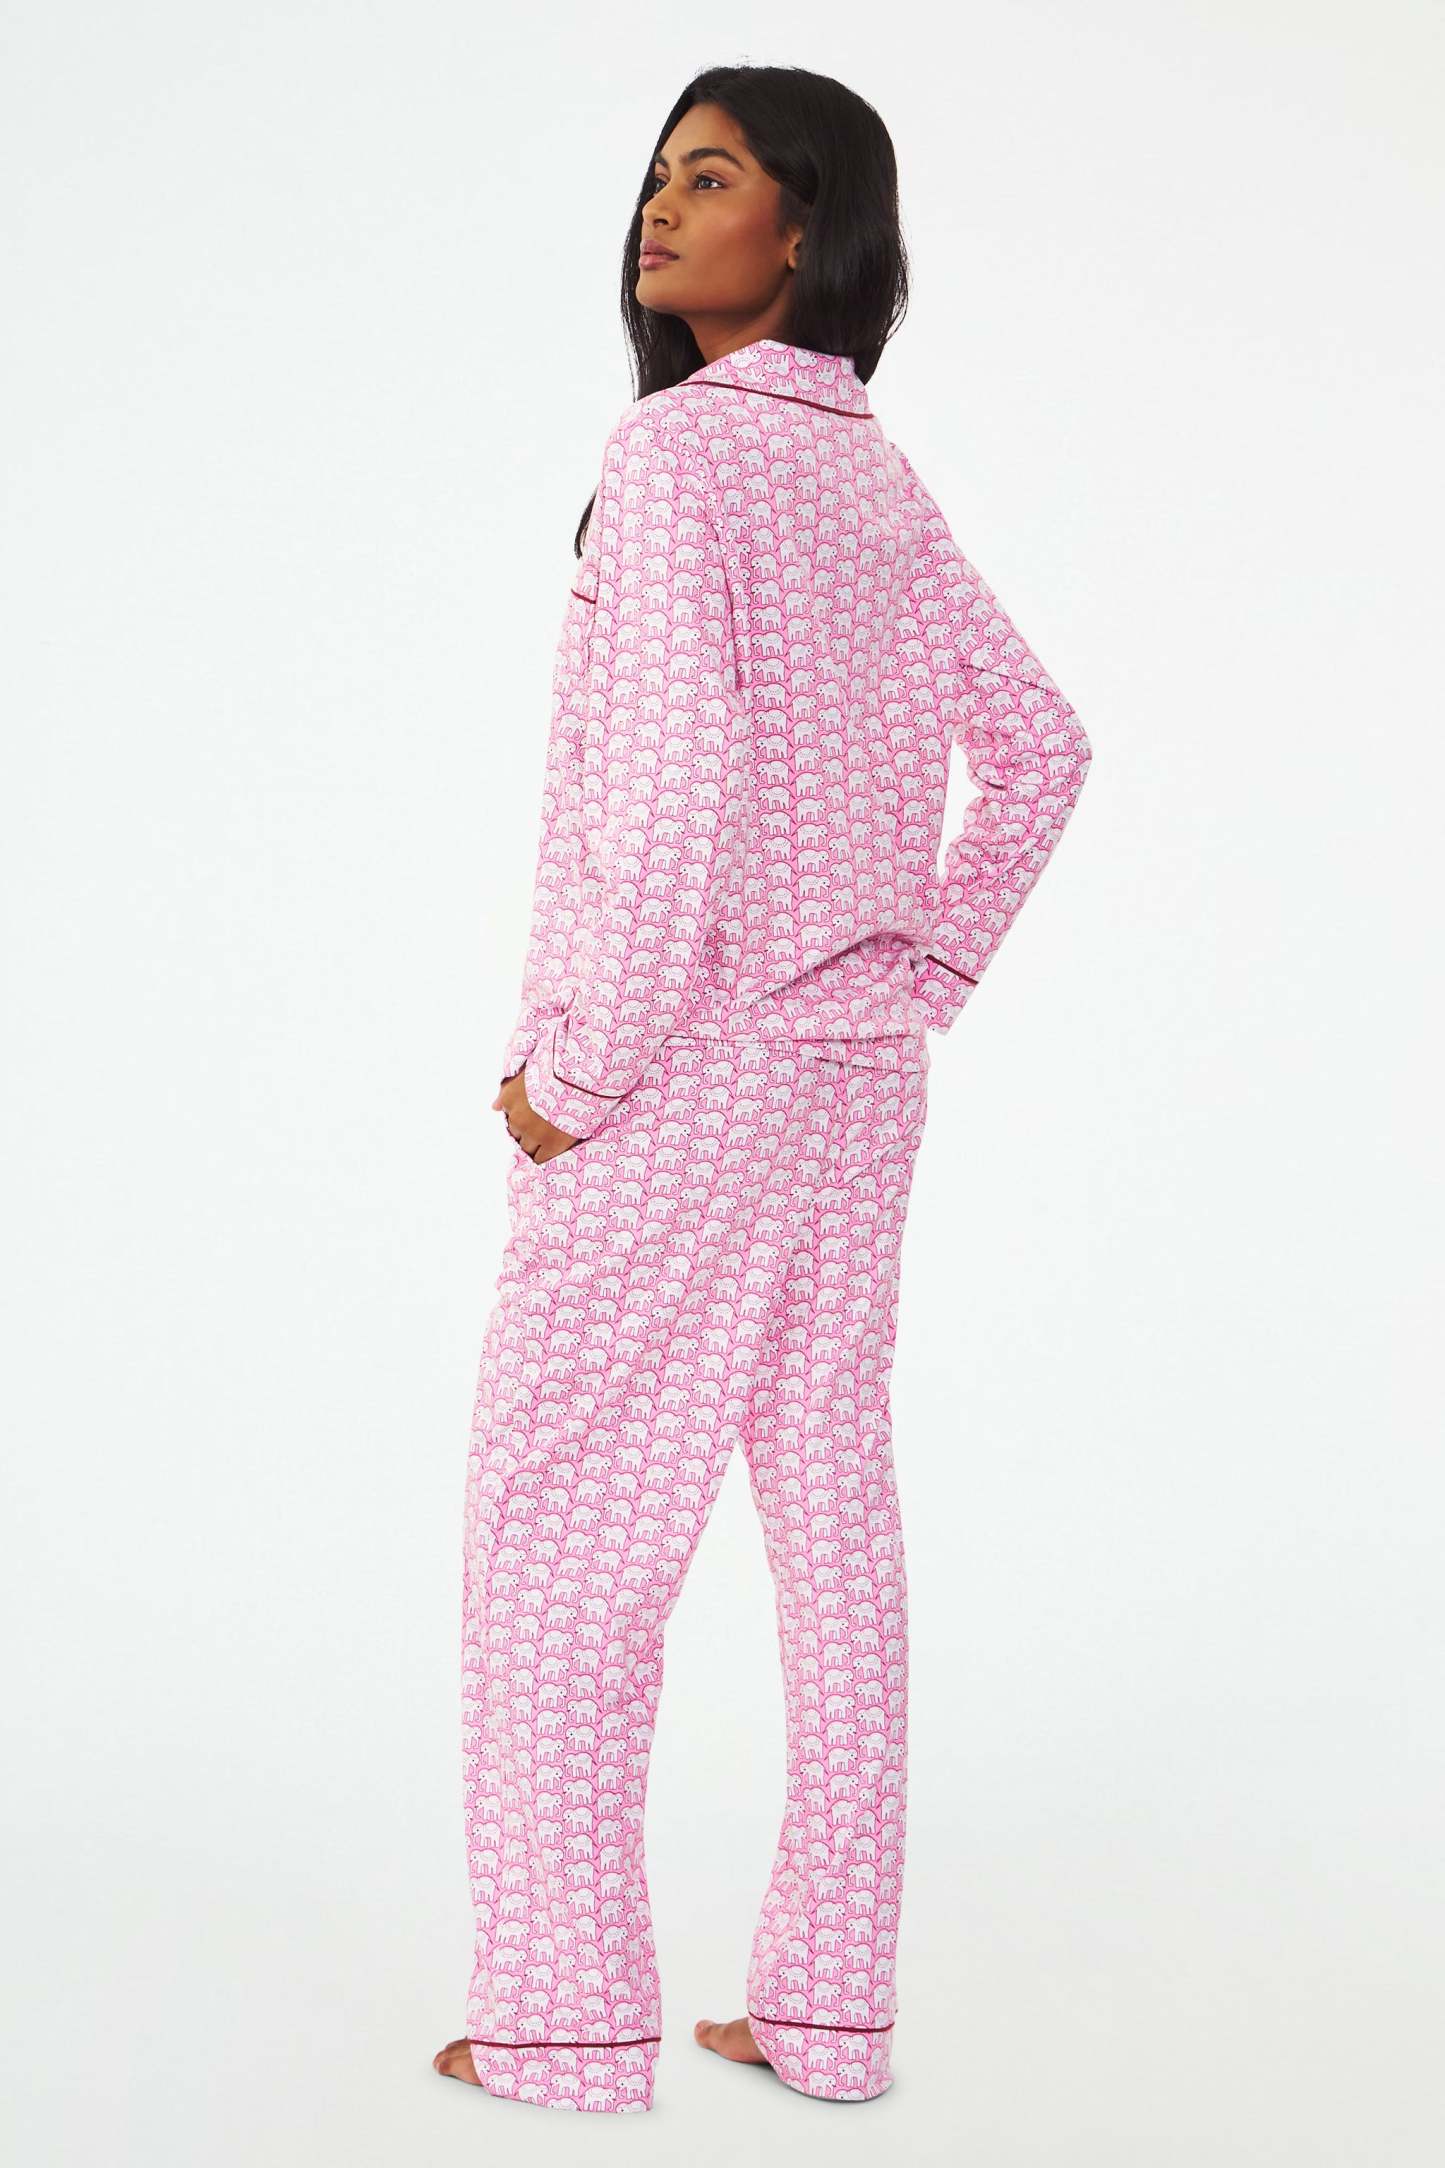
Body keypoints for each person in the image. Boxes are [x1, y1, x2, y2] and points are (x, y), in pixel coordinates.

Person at [434, 63, 1092, 2115]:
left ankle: (559, 2024)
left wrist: (573, 1076)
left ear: (805, 227)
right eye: (655, 174)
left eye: (706, 176)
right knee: (831, 1517)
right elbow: (1045, 747)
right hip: (853, 1084)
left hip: (682, 1077)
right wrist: (921, 972)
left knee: (559, 1541)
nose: (658, 206)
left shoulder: (674, 458)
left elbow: (662, 802)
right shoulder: (871, 478)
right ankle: (827, 2013)